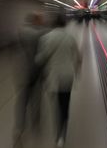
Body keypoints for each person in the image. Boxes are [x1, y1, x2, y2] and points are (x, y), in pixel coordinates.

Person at [35, 14, 81, 147]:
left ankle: (58, 134)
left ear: (53, 24)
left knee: (56, 107)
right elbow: (77, 59)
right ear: (65, 25)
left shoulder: (45, 38)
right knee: (65, 105)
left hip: (53, 77)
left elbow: (40, 59)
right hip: (67, 76)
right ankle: (62, 136)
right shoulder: (71, 38)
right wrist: (77, 73)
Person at [13, 12, 47, 146]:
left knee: (22, 101)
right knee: (36, 98)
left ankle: (19, 128)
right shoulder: (39, 34)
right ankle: (36, 123)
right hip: (36, 72)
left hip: (23, 72)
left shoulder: (22, 32)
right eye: (41, 20)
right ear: (36, 21)